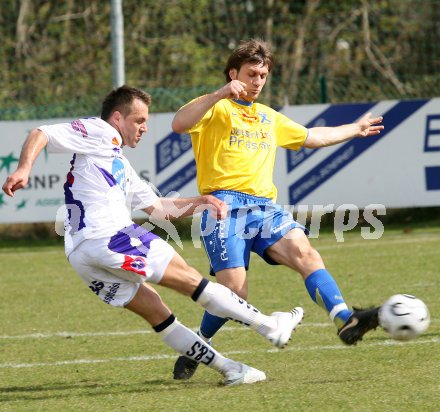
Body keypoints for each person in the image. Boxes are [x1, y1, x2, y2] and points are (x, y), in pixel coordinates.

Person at [2, 85, 305, 387]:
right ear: (117, 118)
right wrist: (24, 169)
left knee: (159, 313)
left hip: (82, 254)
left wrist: (202, 201)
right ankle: (269, 326)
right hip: (109, 235)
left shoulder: (118, 162)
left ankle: (231, 369)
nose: (145, 127)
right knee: (192, 281)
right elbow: (41, 132)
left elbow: (159, 209)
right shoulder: (99, 131)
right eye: (139, 120)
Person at [171, 38, 385, 380]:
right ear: (233, 74)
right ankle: (199, 343)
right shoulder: (216, 107)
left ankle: (346, 319)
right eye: (251, 74)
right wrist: (219, 94)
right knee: (234, 293)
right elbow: (179, 124)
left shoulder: (268, 118)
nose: (257, 81)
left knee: (307, 254)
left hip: (264, 207)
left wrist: (354, 130)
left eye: (263, 75)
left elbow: (313, 136)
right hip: (223, 207)